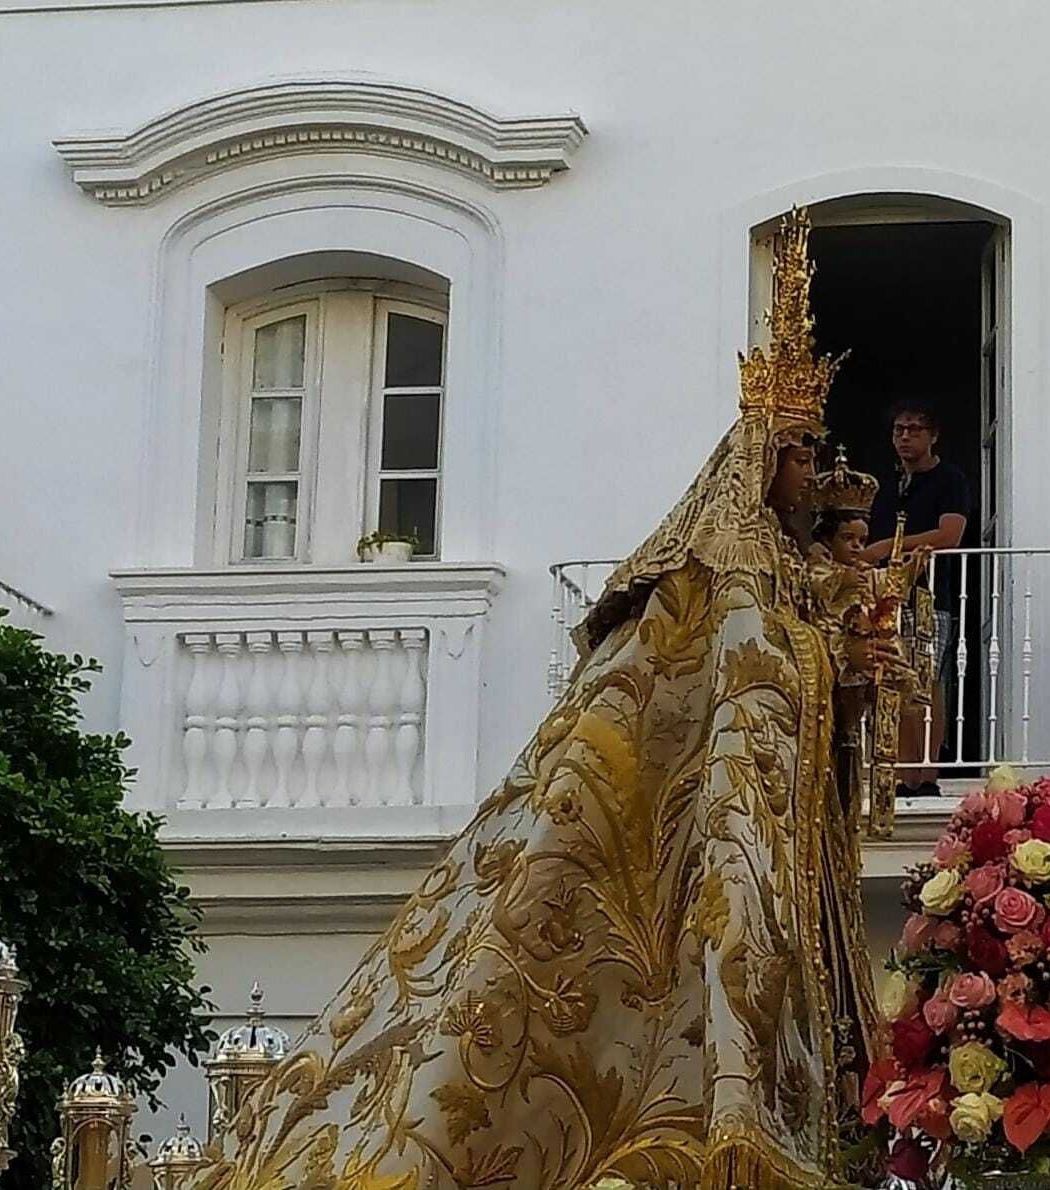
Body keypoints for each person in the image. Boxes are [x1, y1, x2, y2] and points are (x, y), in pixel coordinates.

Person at [190, 210, 882, 1190]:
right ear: (762, 458)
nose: (815, 474)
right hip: (709, 845)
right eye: (802, 452)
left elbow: (790, 703)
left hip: (776, 844)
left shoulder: (787, 572)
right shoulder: (715, 575)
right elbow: (719, 696)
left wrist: (847, 676)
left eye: (816, 455)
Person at [860, 400, 970, 797]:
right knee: (895, 685)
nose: (905, 437)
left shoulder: (949, 480)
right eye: (899, 430)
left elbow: (950, 534)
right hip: (889, 598)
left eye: (915, 430)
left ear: (933, 435)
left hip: (930, 597)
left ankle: (925, 776)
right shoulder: (887, 486)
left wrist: (889, 547)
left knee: (928, 684)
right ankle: (904, 774)